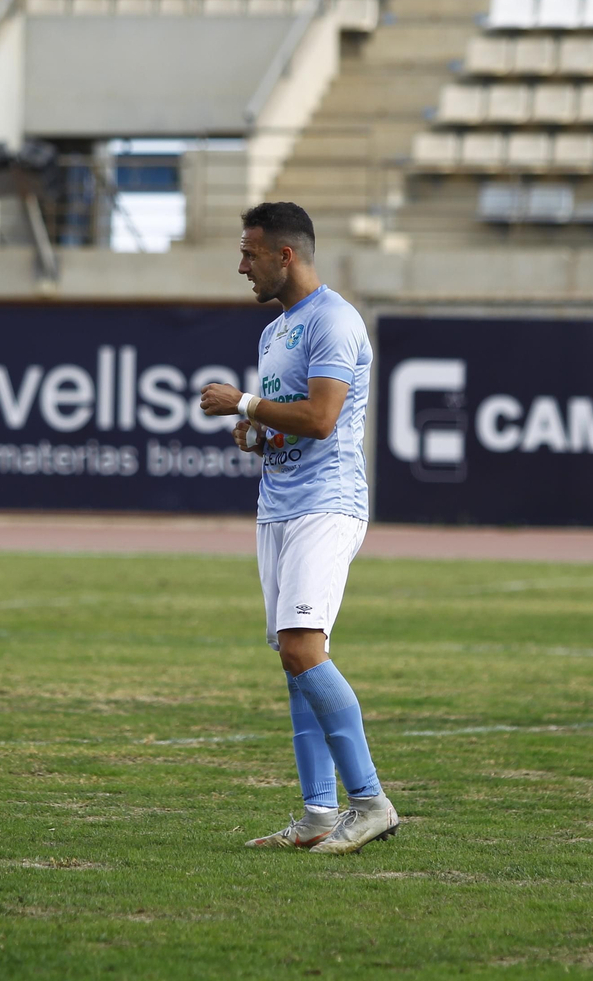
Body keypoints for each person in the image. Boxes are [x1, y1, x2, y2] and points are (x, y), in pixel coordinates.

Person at [198, 202, 398, 854]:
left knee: (304, 648)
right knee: (293, 661)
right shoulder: (276, 330)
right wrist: (257, 435)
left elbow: (319, 419)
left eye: (249, 253)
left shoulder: (335, 320)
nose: (240, 265)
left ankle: (370, 803)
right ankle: (317, 814)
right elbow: (288, 426)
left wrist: (245, 402)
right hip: (279, 503)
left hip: (326, 503)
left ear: (285, 255)